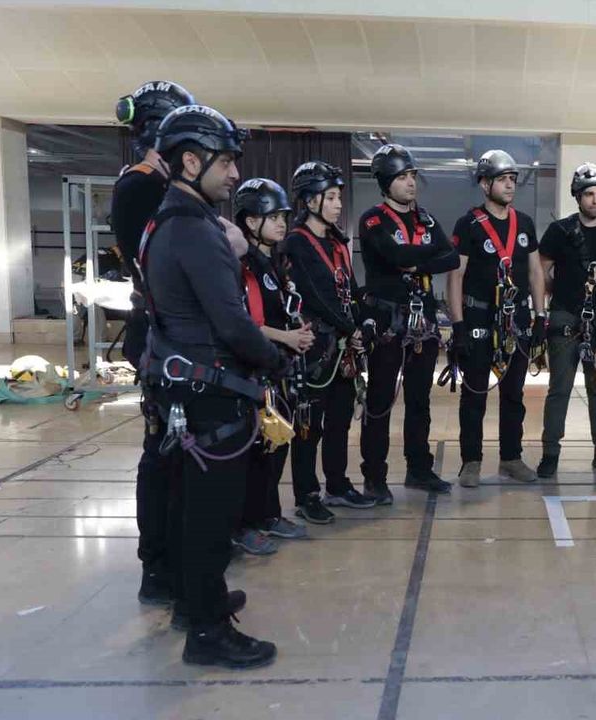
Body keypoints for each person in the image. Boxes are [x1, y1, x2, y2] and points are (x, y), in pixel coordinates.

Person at [140, 105, 283, 666]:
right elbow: (232, 323)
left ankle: (194, 599)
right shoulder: (195, 232)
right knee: (209, 518)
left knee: (188, 507)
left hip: (184, 387)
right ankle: (207, 631)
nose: (234, 173)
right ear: (190, 162)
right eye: (225, 162)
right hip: (210, 393)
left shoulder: (165, 222)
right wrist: (274, 360)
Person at [110, 79, 195, 607]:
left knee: (180, 454)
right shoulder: (141, 186)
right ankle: (158, 565)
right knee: (162, 453)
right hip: (161, 334)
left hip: (173, 331)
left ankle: (178, 556)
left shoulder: (156, 185)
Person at [358, 144, 459, 501]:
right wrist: (426, 255)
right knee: (380, 401)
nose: (411, 182)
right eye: (402, 177)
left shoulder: (426, 220)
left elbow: (451, 258)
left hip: (423, 321)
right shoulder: (373, 220)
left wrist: (417, 264)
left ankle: (419, 469)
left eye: (412, 175)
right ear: (386, 182)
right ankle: (375, 476)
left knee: (419, 400)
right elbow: (395, 254)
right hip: (387, 319)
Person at [281, 161, 378, 520]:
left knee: (340, 420)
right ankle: (306, 494)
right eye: (332, 197)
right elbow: (315, 296)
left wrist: (363, 320)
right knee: (309, 424)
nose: (339, 205)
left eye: (339, 197)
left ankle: (337, 484)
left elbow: (348, 289)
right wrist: (350, 328)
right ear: (311, 201)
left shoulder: (337, 242)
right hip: (316, 347)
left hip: (342, 347)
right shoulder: (296, 243)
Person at [447, 149, 546, 487]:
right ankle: (471, 462)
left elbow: (535, 271)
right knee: (475, 393)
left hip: (516, 320)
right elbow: (456, 276)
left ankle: (511, 459)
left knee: (514, 394)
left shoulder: (525, 223)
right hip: (479, 319)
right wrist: (458, 325)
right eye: (503, 179)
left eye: (513, 179)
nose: (510, 185)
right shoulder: (469, 225)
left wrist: (540, 316)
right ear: (485, 184)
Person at [232, 178, 315, 554]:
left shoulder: (274, 263)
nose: (282, 223)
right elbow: (244, 321)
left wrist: (296, 333)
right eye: (274, 217)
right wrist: (287, 338)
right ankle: (244, 524)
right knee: (255, 450)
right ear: (251, 221)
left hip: (278, 367)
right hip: (255, 369)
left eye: (284, 216)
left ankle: (268, 514)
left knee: (276, 444)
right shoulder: (243, 265)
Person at [537, 163, 596, 479]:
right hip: (565, 314)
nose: (595, 200)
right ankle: (550, 453)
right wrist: (561, 293)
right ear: (578, 197)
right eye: (589, 194)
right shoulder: (559, 231)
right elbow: (542, 270)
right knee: (559, 387)